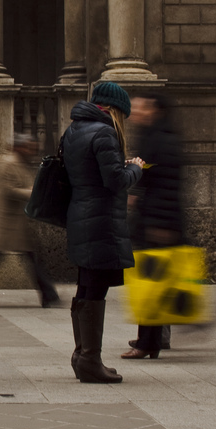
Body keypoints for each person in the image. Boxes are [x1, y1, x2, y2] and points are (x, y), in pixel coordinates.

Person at [63, 82, 144, 384]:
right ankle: (89, 361)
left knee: (86, 285)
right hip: (99, 221)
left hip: (81, 215)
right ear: (113, 109)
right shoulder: (104, 132)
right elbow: (115, 180)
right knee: (95, 289)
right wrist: (135, 168)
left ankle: (82, 355)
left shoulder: (74, 130)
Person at [0, 133, 61, 309]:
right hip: (7, 222)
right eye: (28, 147)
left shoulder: (19, 162)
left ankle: (48, 294)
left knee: (30, 259)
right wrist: (31, 193)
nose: (31, 150)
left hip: (17, 222)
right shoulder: (8, 163)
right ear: (18, 147)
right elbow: (8, 190)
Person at [123, 93, 183, 359]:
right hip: (154, 220)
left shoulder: (161, 140)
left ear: (154, 110)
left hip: (158, 222)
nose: (135, 113)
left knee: (152, 285)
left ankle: (149, 342)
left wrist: (159, 223)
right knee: (153, 283)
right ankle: (151, 339)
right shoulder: (153, 136)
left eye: (140, 108)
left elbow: (167, 186)